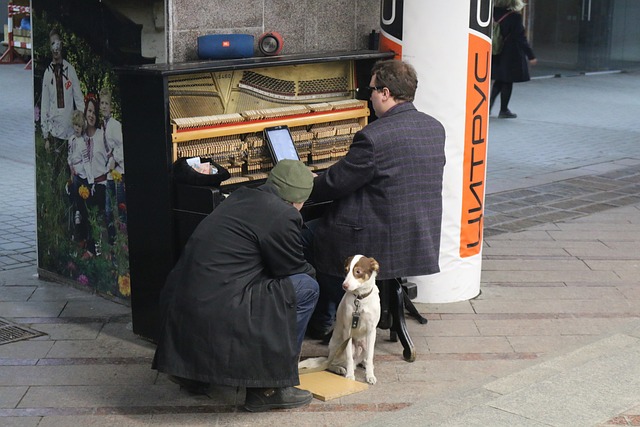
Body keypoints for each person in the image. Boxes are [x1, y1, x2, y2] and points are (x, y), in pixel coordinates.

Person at [152, 159, 319, 412]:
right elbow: (293, 269)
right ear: (299, 201)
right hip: (219, 307)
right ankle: (270, 386)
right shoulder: (283, 214)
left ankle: (194, 375)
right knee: (306, 288)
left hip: (180, 305)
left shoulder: (240, 196)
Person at [304, 59, 446, 339]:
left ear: (385, 92)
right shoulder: (434, 127)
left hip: (377, 236)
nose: (368, 97)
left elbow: (335, 183)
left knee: (305, 236)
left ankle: (325, 317)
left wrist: (309, 182)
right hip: (414, 232)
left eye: (369, 91)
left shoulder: (373, 136)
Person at [490, 0, 537, 119]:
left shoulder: (492, 13)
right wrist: (530, 55)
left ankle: (488, 107)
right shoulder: (514, 17)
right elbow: (520, 38)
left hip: (495, 52)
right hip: (510, 54)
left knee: (499, 80)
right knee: (507, 81)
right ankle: (504, 110)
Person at [40, 28, 85, 151]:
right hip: (54, 134)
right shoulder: (48, 74)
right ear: (50, 47)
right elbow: (45, 105)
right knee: (56, 169)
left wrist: (80, 124)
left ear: (62, 45)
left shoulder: (70, 70)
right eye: (52, 44)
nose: (56, 48)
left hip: (71, 133)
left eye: (57, 43)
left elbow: (79, 99)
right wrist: (46, 136)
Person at [84, 95, 108, 256]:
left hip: (101, 184)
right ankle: (90, 249)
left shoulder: (102, 135)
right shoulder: (80, 137)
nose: (91, 115)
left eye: (94, 112)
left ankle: (104, 251)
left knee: (101, 217)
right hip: (86, 185)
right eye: (89, 111)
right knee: (85, 215)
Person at [100, 87, 126, 237]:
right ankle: (112, 242)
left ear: (111, 106)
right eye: (102, 103)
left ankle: (122, 242)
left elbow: (122, 145)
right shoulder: (104, 125)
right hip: (109, 175)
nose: (104, 106)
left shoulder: (115, 125)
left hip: (119, 173)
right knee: (108, 210)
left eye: (106, 103)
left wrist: (114, 159)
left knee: (121, 209)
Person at [67, 110, 90, 242]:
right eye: (75, 125)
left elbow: (85, 160)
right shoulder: (71, 140)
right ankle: (75, 209)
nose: (77, 128)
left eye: (79, 126)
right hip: (73, 169)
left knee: (77, 185)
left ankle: (78, 211)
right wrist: (70, 166)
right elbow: (69, 155)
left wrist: (89, 177)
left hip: (81, 172)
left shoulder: (82, 142)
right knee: (72, 185)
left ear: (82, 128)